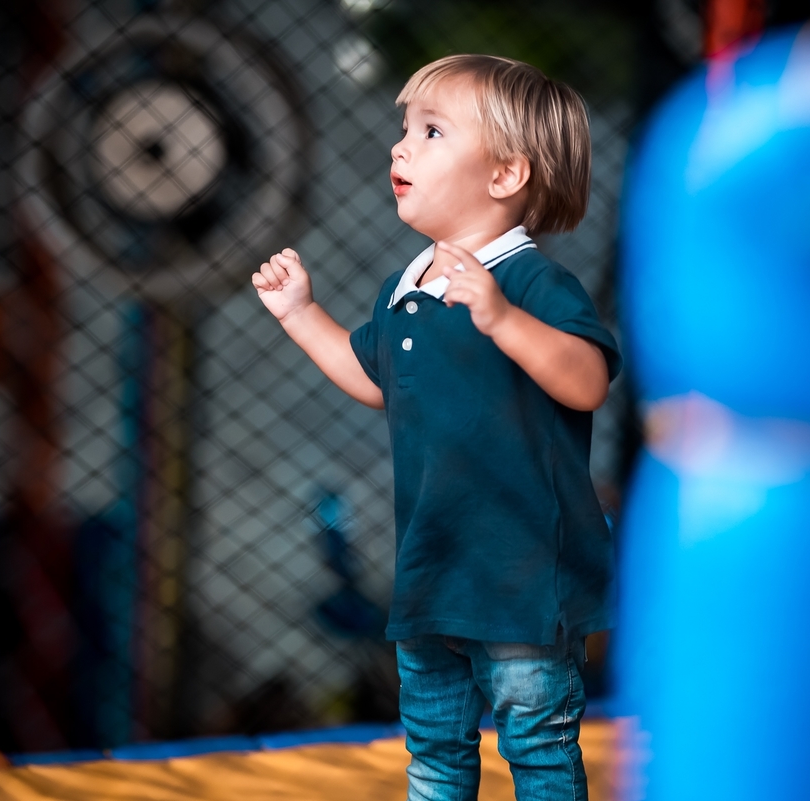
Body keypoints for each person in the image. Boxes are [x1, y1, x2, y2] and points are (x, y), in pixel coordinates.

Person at [253, 54, 620, 801]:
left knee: (536, 742)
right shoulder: (406, 287)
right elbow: (373, 381)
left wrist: (502, 318)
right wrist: (301, 314)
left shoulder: (529, 282)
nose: (400, 148)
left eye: (430, 131)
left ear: (505, 175)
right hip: (431, 570)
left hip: (522, 580)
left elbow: (584, 382)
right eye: (404, 130)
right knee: (433, 750)